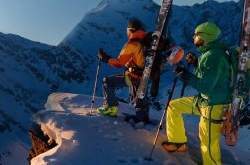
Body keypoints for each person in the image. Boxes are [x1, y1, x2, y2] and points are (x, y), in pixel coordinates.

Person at [162, 22, 231, 165]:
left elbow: (205, 86)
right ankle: (177, 141)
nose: (194, 37)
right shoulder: (212, 53)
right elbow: (209, 77)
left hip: (214, 105)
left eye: (196, 35)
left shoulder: (212, 56)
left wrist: (185, 75)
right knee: (174, 106)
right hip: (208, 100)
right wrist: (195, 65)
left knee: (208, 144)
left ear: (204, 37)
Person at [97, 17, 149, 123]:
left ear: (131, 30)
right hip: (144, 76)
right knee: (139, 97)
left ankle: (110, 108)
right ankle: (142, 118)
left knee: (107, 81)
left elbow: (118, 63)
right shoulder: (145, 42)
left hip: (133, 75)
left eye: (128, 29)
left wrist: (105, 58)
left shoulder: (132, 44)